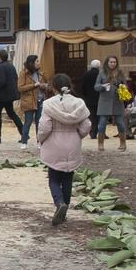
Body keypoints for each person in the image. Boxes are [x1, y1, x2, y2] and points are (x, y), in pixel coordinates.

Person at [36, 74, 90, 226]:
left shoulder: (48, 104)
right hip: (73, 141)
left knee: (53, 177)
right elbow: (86, 125)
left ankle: (59, 203)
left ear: (53, 87)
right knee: (68, 177)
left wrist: (41, 138)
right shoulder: (79, 103)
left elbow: (45, 127)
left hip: (54, 142)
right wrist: (79, 134)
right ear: (70, 86)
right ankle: (65, 206)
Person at [0, 50, 23, 144]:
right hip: (9, 95)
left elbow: (1, 81)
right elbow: (15, 78)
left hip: (1, 96)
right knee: (12, 114)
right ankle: (24, 133)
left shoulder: (0, 67)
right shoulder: (11, 66)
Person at [94, 55, 127, 150]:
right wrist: (103, 86)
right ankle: (100, 144)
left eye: (114, 62)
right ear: (107, 63)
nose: (113, 64)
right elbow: (96, 86)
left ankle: (123, 143)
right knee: (102, 124)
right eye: (111, 62)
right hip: (104, 101)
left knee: (120, 123)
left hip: (117, 101)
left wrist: (122, 87)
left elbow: (126, 85)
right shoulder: (101, 73)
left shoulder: (120, 73)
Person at [17, 55, 45, 147]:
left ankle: (39, 141)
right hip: (29, 101)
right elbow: (20, 88)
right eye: (37, 61)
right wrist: (33, 85)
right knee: (28, 122)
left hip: (40, 100)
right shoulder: (24, 73)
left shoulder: (40, 73)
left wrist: (44, 86)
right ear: (31, 63)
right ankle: (24, 141)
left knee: (39, 122)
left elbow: (45, 83)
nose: (38, 63)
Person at [80, 59, 101, 139]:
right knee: (99, 116)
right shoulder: (100, 74)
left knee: (92, 116)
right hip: (99, 98)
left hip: (89, 98)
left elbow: (83, 87)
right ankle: (100, 132)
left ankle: (92, 133)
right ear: (99, 66)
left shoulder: (86, 74)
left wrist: (85, 95)